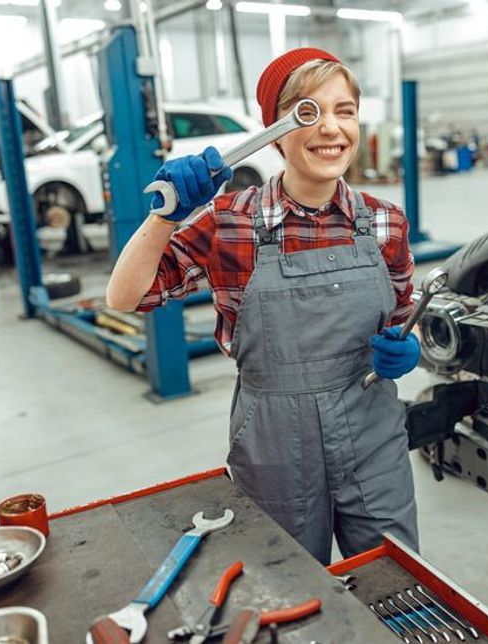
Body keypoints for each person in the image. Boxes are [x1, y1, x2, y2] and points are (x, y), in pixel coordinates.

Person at [106, 48, 420, 564]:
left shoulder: (386, 222)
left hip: (373, 434)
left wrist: (408, 347)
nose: (331, 130)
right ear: (274, 127)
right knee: (288, 586)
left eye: (345, 111)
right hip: (275, 447)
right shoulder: (229, 223)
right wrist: (165, 217)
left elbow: (405, 314)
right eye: (309, 112)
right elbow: (127, 295)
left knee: (397, 583)